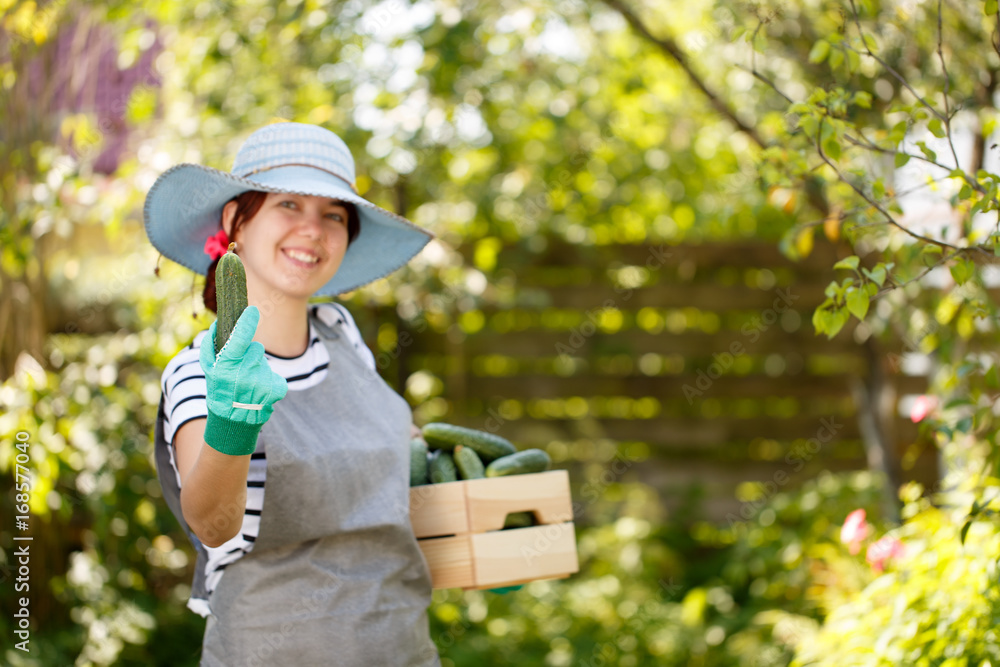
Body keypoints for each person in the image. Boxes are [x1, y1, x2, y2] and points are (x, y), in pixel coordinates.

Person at [144, 122, 442, 666]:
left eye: (334, 214)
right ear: (236, 220)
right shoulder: (198, 374)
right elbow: (212, 524)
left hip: (403, 648)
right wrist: (233, 422)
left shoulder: (341, 333)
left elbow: (385, 463)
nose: (314, 230)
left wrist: (483, 522)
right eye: (288, 204)